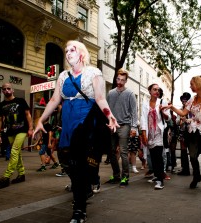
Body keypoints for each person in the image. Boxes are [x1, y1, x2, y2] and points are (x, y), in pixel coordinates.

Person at [33, 40, 119, 222]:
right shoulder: (63, 76)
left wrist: (110, 115)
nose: (67, 53)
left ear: (81, 53)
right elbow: (55, 100)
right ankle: (87, 183)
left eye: (72, 49)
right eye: (66, 50)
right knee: (66, 160)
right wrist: (41, 119)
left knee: (79, 164)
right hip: (68, 122)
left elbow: (101, 98)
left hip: (85, 121)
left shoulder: (94, 73)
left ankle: (79, 210)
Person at [167, 75, 201, 193]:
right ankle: (197, 176)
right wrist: (172, 107)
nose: (190, 86)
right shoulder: (192, 100)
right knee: (193, 156)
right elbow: (183, 112)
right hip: (193, 130)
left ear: (198, 84)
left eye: (192, 84)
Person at [0, 83, 33, 188]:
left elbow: (28, 114)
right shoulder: (0, 105)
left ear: (13, 90)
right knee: (17, 153)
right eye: (4, 89)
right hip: (10, 131)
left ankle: (6, 176)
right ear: (2, 91)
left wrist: (30, 128)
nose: (6, 90)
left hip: (22, 129)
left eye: (8, 88)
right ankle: (21, 174)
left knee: (14, 151)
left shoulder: (20, 101)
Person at [106, 68, 138, 187]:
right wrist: (107, 122)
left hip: (124, 125)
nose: (119, 82)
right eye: (118, 79)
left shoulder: (130, 94)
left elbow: (134, 112)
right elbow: (107, 109)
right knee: (111, 152)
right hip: (112, 126)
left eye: (122, 80)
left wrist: (134, 127)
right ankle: (116, 175)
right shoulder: (110, 93)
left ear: (126, 81)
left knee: (124, 152)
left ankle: (125, 177)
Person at [140, 83, 170, 190]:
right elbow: (143, 118)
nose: (157, 91)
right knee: (152, 155)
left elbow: (168, 118)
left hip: (159, 133)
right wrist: (144, 133)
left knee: (158, 156)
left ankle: (160, 180)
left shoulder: (162, 102)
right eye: (154, 89)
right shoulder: (145, 104)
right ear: (149, 91)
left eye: (158, 90)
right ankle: (157, 175)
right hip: (150, 133)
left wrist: (162, 111)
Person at [176, 92, 191, 176]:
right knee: (183, 151)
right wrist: (180, 120)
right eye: (183, 100)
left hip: (191, 132)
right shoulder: (180, 109)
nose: (184, 102)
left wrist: (187, 119)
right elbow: (177, 121)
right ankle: (185, 169)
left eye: (186, 100)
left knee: (192, 152)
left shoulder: (192, 109)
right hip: (183, 132)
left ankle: (194, 170)